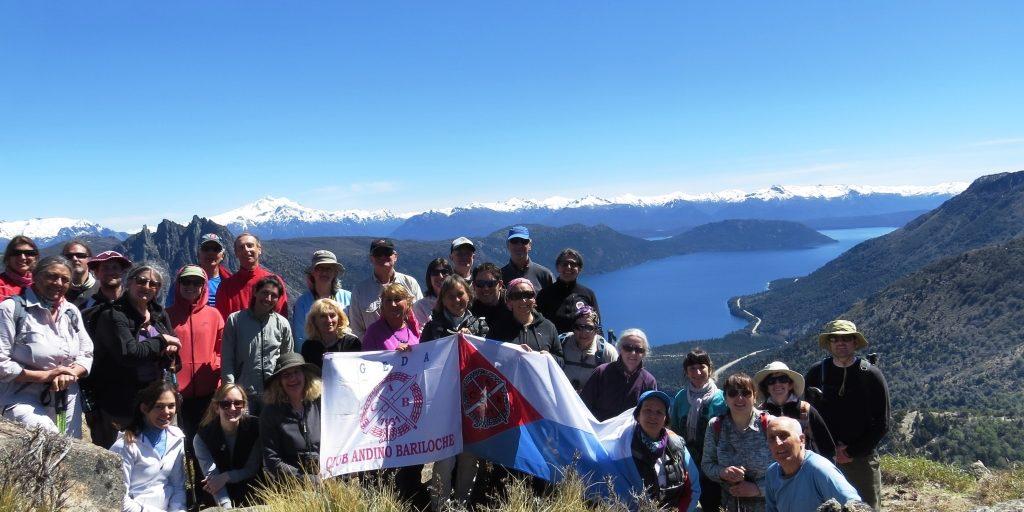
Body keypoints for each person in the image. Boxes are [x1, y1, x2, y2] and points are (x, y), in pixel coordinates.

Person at [90, 264, 182, 449]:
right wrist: (162, 341)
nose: (147, 286)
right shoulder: (114, 315)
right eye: (141, 281)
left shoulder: (159, 315)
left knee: (152, 455)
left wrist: (171, 353)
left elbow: (174, 358)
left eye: (154, 284)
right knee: (118, 457)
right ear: (129, 282)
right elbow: (130, 354)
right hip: (119, 404)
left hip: (153, 401)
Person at [0, 256, 92, 437]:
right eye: (52, 276)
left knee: (71, 450)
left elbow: (87, 352)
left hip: (66, 397)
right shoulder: (11, 309)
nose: (58, 283)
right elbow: (1, 362)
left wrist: (71, 373)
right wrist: (45, 376)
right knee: (49, 437)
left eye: (65, 279)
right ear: (35, 276)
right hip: (22, 397)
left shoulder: (70, 311)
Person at [805, 320, 890, 511]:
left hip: (861, 460)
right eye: (835, 339)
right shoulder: (816, 373)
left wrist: (851, 452)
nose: (840, 343)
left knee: (867, 507)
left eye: (846, 339)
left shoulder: (871, 374)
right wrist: (829, 449)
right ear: (829, 343)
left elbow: (882, 422)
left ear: (855, 342)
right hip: (826, 458)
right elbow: (807, 415)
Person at [421, 275, 488, 510]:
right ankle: (440, 505)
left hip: (473, 401)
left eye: (460, 294)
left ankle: (462, 504)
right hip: (443, 402)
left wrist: (474, 339)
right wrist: (406, 352)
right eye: (450, 296)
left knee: (469, 458)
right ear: (443, 300)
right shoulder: (432, 327)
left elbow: (492, 358)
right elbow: (422, 359)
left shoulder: (481, 325)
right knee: (444, 458)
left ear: (468, 296)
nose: (456, 300)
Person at [166, 265, 225, 444]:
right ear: (178, 284)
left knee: (207, 442)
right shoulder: (166, 316)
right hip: (177, 395)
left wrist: (218, 375)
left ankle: (204, 474)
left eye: (197, 282)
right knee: (181, 443)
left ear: (204, 286)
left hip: (208, 392)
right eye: (186, 281)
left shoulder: (214, 315)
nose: (191, 286)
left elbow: (222, 349)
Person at [110, 380, 187, 512]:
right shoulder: (125, 446)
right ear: (144, 408)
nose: (167, 412)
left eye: (171, 406)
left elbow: (178, 486)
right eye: (159, 406)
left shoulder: (177, 438)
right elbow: (119, 498)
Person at [701, 373, 773, 512]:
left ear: (755, 396)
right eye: (733, 393)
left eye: (746, 393)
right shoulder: (716, 426)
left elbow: (788, 469)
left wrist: (758, 489)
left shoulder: (770, 425)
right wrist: (722, 472)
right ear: (725, 398)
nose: (739, 398)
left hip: (769, 506)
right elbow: (707, 464)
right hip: (729, 506)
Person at [221, 277, 293, 414]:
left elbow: (287, 360)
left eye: (274, 296)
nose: (268, 298)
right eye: (265, 293)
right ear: (255, 292)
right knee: (245, 432)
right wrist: (230, 389)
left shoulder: (282, 324)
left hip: (273, 394)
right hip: (243, 393)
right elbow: (227, 358)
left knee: (270, 433)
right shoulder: (236, 320)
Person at [669, 348, 727, 512]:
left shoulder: (722, 398)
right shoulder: (681, 397)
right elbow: (674, 429)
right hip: (686, 466)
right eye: (692, 368)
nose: (697, 372)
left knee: (712, 506)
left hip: (713, 469)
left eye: (702, 366)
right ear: (686, 372)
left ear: (710, 368)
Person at [765, 416, 862, 512]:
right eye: (772, 438)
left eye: (783, 435)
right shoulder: (772, 473)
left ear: (802, 439)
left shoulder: (819, 469)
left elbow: (854, 506)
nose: (777, 443)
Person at [193, 383, 261, 509]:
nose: (232, 408)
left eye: (238, 403)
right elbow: (212, 479)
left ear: (244, 406)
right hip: (218, 497)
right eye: (225, 404)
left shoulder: (255, 428)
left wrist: (226, 476)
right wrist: (227, 508)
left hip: (252, 492)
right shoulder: (202, 438)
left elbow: (252, 469)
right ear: (216, 407)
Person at [631, 390, 701, 512]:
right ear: (638, 415)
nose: (653, 416)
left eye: (659, 412)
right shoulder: (626, 448)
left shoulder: (677, 444)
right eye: (647, 410)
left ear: (665, 418)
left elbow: (693, 487)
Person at [754, 361, 835, 459]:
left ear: (790, 385)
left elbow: (827, 445)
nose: (777, 384)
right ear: (766, 387)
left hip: (804, 467)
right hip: (773, 470)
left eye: (783, 379)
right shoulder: (760, 413)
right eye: (771, 381)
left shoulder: (805, 409)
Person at [259, 353, 321, 479]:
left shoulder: (319, 404)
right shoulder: (270, 413)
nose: (293, 378)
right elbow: (272, 460)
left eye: (297, 372)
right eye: (286, 375)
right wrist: (307, 480)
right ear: (279, 382)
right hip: (291, 485)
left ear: (305, 376)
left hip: (326, 478)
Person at [349, 239, 423, 338]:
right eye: (378, 253)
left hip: (409, 348)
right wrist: (373, 346)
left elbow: (421, 318)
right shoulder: (360, 291)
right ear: (371, 258)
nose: (383, 256)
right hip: (376, 351)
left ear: (395, 256)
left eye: (387, 252)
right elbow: (356, 328)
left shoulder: (410, 283)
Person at [580, 328, 656, 421]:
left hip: (631, 434)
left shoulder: (649, 381)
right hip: (599, 432)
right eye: (628, 348)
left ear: (644, 353)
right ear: (620, 349)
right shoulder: (602, 372)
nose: (633, 353)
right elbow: (583, 407)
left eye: (639, 350)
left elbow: (651, 415)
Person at [215, 233, 288, 320]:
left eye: (250, 245)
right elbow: (221, 320)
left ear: (259, 249)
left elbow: (281, 318)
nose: (246, 250)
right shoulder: (226, 287)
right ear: (236, 253)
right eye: (241, 247)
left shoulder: (274, 281)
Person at [291, 250, 352, 353]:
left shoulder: (349, 298)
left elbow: (354, 329)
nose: (324, 272)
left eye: (329, 269)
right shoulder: (302, 303)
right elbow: (299, 337)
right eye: (320, 268)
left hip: (345, 356)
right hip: (313, 358)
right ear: (313, 273)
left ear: (335, 273)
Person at [490, 278, 562, 364]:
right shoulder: (499, 327)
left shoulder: (548, 326)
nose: (523, 300)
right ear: (509, 301)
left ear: (534, 299)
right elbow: (488, 356)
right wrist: (512, 353)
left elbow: (561, 360)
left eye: (528, 295)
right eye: (517, 296)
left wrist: (550, 358)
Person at [536, 248, 600, 334]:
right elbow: (537, 325)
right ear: (558, 267)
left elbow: (597, 325)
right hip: (553, 346)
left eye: (573, 264)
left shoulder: (588, 294)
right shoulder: (544, 294)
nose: (568, 267)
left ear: (579, 269)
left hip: (582, 346)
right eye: (564, 264)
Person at [164, 233, 234, 309]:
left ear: (222, 256)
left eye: (216, 249)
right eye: (205, 249)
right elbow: (170, 310)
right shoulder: (183, 281)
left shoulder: (231, 282)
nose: (210, 253)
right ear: (198, 253)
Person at [559, 306, 618, 392]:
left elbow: (616, 382)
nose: (583, 332)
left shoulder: (607, 352)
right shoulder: (562, 342)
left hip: (592, 403)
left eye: (589, 328)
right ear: (573, 328)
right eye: (578, 327)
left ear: (596, 330)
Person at [300, 298, 361, 368]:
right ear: (314, 320)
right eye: (323, 316)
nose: (329, 320)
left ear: (339, 318)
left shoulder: (352, 342)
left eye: (332, 315)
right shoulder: (308, 346)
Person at [361, 283, 420, 352]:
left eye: (397, 299)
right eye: (388, 300)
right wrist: (393, 355)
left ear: (408, 303)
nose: (393, 304)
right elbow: (367, 361)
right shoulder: (373, 332)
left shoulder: (413, 328)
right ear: (382, 305)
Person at [500, 226, 554, 292]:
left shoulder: (545, 275)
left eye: (523, 241)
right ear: (508, 245)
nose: (519, 246)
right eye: (514, 241)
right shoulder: (499, 276)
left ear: (530, 245)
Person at [468, 262, 514, 335]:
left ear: (500, 285)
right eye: (480, 283)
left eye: (491, 283)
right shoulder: (468, 310)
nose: (486, 288)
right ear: (474, 285)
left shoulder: (514, 305)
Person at [412, 258, 452, 326]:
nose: (440, 276)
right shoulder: (420, 306)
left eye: (444, 272)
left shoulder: (458, 301)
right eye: (435, 273)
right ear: (429, 277)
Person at [0, 235, 38, 301]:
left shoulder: (39, 283)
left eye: (28, 253)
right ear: (8, 257)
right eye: (16, 253)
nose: (22, 257)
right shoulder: (1, 285)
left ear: (35, 257)